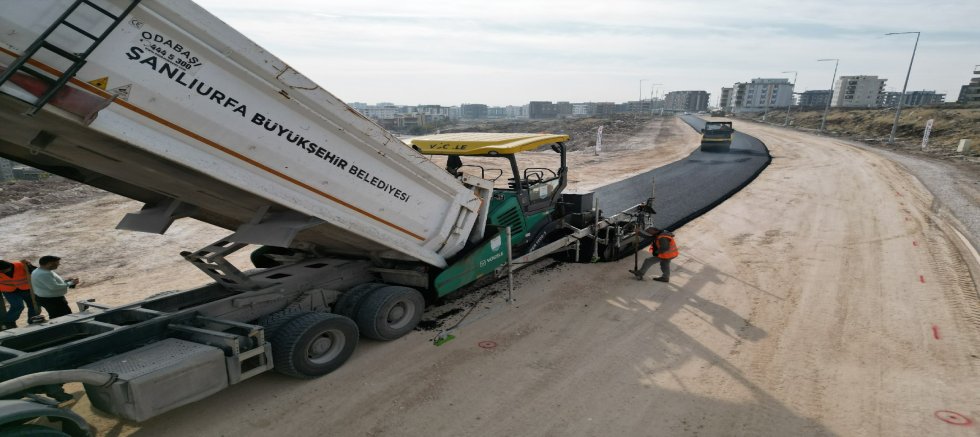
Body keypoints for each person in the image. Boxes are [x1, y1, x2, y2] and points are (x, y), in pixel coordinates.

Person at [0, 257, 42, 329]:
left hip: (25, 289)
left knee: (33, 304)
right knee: (18, 306)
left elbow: (36, 272)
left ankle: (33, 320)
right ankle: (8, 323)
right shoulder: (2, 270)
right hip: (9, 291)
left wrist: (29, 266)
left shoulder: (21, 265)